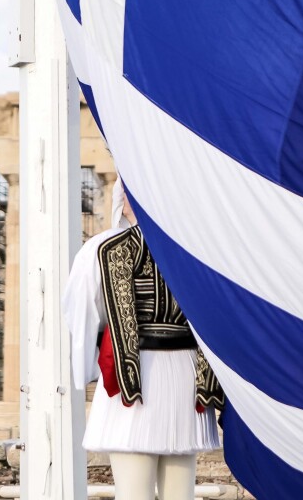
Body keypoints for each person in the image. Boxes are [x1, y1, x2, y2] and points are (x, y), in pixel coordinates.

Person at [62, 180, 221, 500]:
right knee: (180, 492)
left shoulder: (101, 249)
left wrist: (88, 369)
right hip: (188, 373)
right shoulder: (197, 247)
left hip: (133, 372)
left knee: (134, 491)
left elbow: (82, 314)